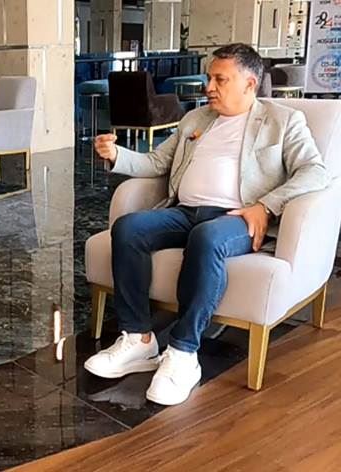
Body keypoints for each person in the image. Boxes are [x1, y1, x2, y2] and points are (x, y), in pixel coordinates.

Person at [84, 43, 328, 406]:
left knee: (207, 236)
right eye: (209, 78)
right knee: (129, 228)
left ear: (249, 83)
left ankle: (183, 353)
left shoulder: (283, 120)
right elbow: (157, 162)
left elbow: (315, 171)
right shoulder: (195, 119)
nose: (208, 87)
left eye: (220, 79)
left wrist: (265, 206)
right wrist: (117, 154)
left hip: (235, 217)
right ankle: (139, 340)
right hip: (184, 211)